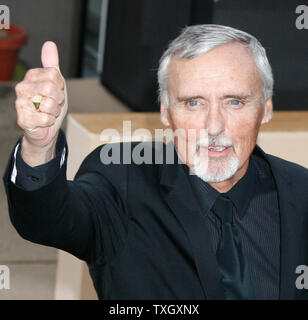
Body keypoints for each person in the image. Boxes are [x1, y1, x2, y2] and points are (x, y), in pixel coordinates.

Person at [3, 24, 308, 300]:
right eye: (193, 102)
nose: (214, 126)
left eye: (235, 101)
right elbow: (46, 220)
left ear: (266, 109)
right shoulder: (120, 181)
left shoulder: (299, 192)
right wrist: (39, 144)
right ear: (165, 112)